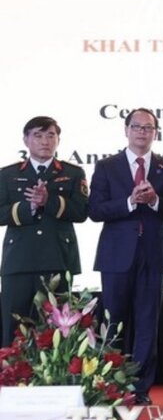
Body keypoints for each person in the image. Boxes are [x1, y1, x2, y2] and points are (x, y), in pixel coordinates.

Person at [89, 108, 163, 405]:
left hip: (153, 254)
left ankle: (140, 388)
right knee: (112, 322)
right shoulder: (107, 166)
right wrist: (129, 202)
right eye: (137, 127)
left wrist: (155, 201)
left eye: (149, 128)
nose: (142, 132)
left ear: (156, 132)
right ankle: (109, 385)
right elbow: (95, 211)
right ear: (126, 130)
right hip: (117, 255)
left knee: (146, 323)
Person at [0, 116, 89, 345]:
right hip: (19, 260)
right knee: (14, 326)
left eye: (51, 135)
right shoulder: (7, 174)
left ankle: (53, 378)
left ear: (58, 140)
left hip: (57, 258)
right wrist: (28, 208)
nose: (45, 141)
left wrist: (50, 201)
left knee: (56, 328)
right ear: (26, 140)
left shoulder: (73, 172)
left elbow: (81, 212)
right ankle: (11, 376)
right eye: (38, 135)